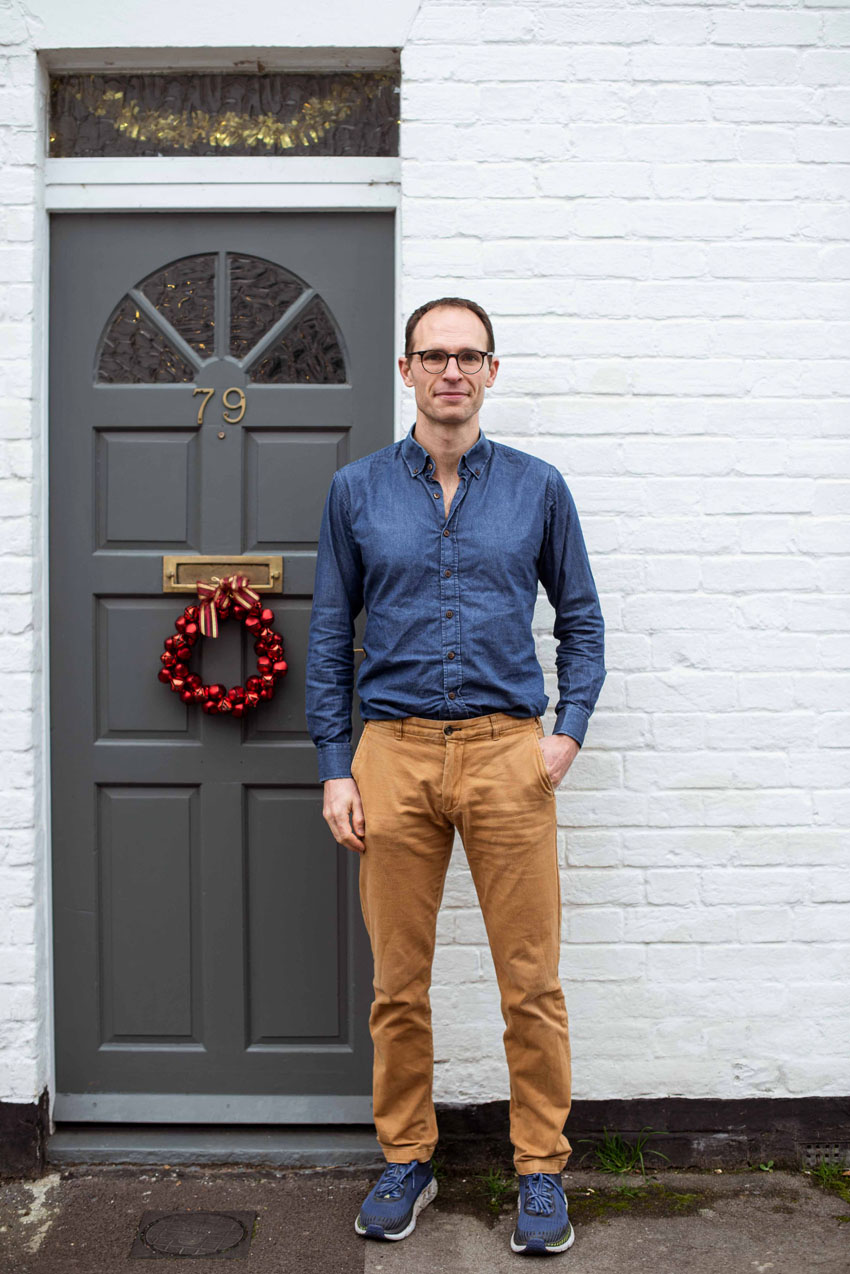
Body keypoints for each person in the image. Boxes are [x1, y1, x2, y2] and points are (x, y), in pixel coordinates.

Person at [305, 297, 606, 1256]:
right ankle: (407, 1158)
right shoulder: (356, 491)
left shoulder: (537, 488)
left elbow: (581, 619)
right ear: (406, 371)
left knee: (532, 982)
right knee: (399, 983)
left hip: (507, 753)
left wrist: (566, 734)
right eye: (433, 356)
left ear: (491, 371)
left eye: (468, 356)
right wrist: (335, 767)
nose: (451, 372)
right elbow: (329, 633)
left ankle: (540, 1170)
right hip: (391, 754)